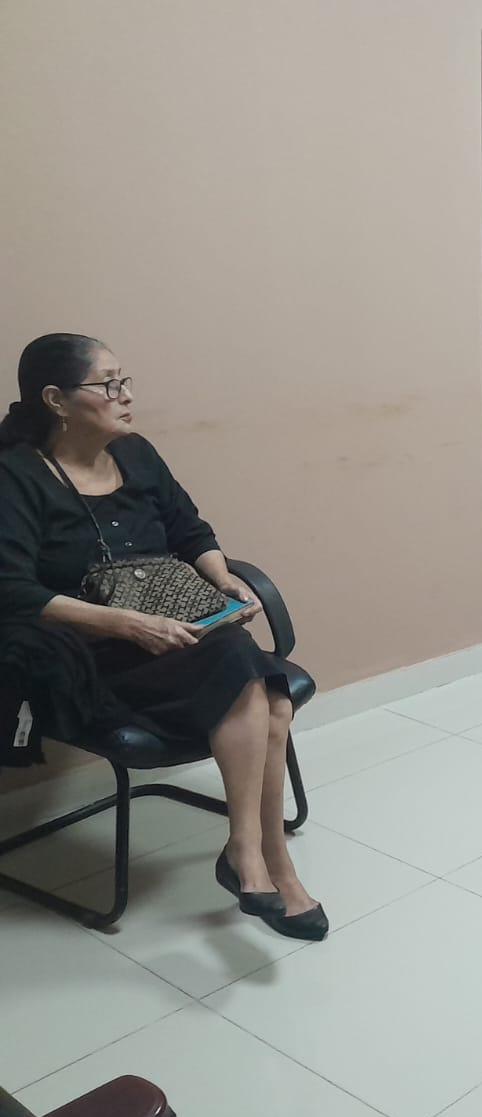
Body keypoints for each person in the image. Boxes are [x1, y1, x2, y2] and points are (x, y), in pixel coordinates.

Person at [0, 334, 326, 940]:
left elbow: (191, 530)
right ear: (56, 400)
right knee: (262, 687)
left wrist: (225, 582)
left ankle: (260, 856)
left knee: (269, 696)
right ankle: (258, 858)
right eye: (108, 384)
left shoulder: (137, 453)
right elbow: (12, 590)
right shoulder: (16, 475)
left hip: (177, 636)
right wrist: (126, 623)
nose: (125, 396)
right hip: (88, 652)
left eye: (125, 381)